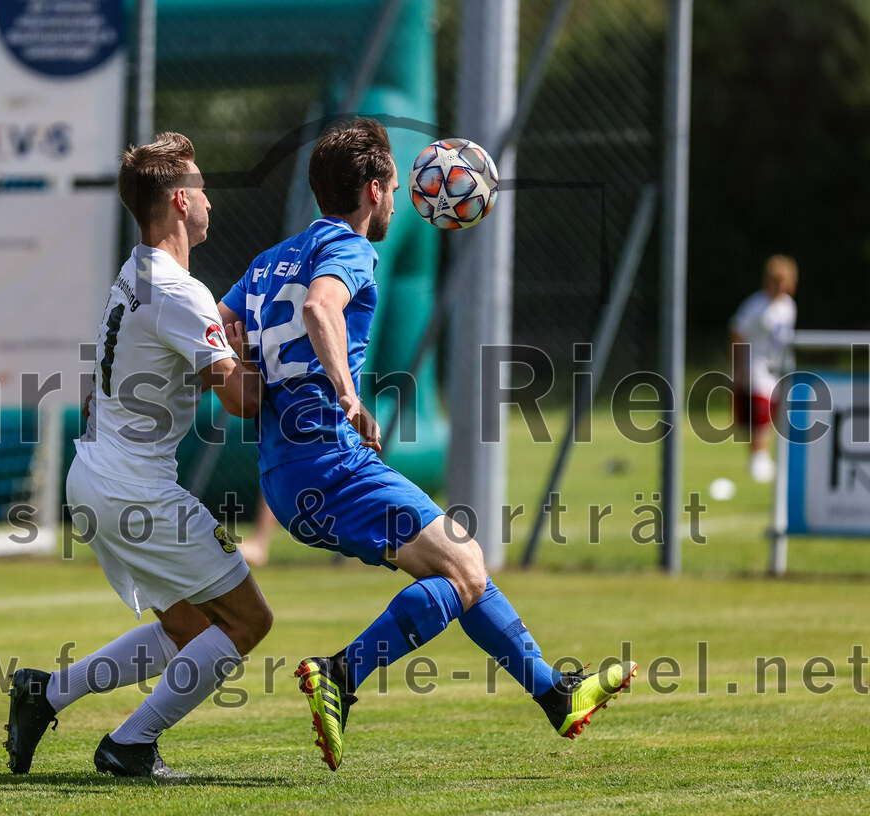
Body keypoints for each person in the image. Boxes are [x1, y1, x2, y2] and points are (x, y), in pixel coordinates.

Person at [218, 118, 635, 772]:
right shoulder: (349, 250)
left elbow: (223, 320)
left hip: (282, 478)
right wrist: (347, 394)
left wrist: (245, 381)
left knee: (461, 570)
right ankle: (341, 675)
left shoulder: (268, 261)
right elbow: (322, 310)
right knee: (462, 567)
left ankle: (556, 695)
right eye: (392, 191)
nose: (394, 202)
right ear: (378, 189)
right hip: (334, 463)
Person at [4, 132, 272, 778]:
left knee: (186, 627)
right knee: (246, 621)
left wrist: (227, 351)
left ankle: (48, 692)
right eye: (202, 187)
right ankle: (129, 744)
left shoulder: (133, 274)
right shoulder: (182, 293)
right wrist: (275, 365)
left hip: (94, 480)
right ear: (181, 201)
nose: (210, 199)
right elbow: (241, 401)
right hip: (134, 490)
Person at [730, 255, 798, 482]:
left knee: (776, 414)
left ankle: (768, 457)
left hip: (777, 368)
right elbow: (737, 332)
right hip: (755, 366)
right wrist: (739, 365)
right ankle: (757, 459)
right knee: (759, 413)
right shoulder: (756, 305)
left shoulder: (788, 306)